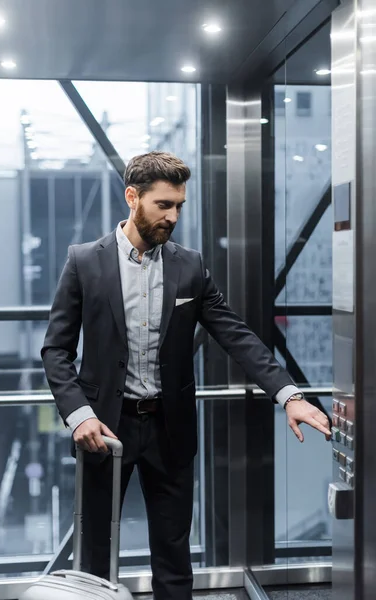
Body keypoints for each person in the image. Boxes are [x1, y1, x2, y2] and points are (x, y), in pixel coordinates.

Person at [41, 151, 331, 600]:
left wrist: (288, 395)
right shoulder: (83, 262)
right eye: (163, 205)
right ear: (132, 197)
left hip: (169, 428)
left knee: (174, 557)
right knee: (95, 553)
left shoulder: (189, 266)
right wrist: (78, 415)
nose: (173, 216)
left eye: (179, 205)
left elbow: (236, 335)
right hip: (102, 428)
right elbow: (56, 351)